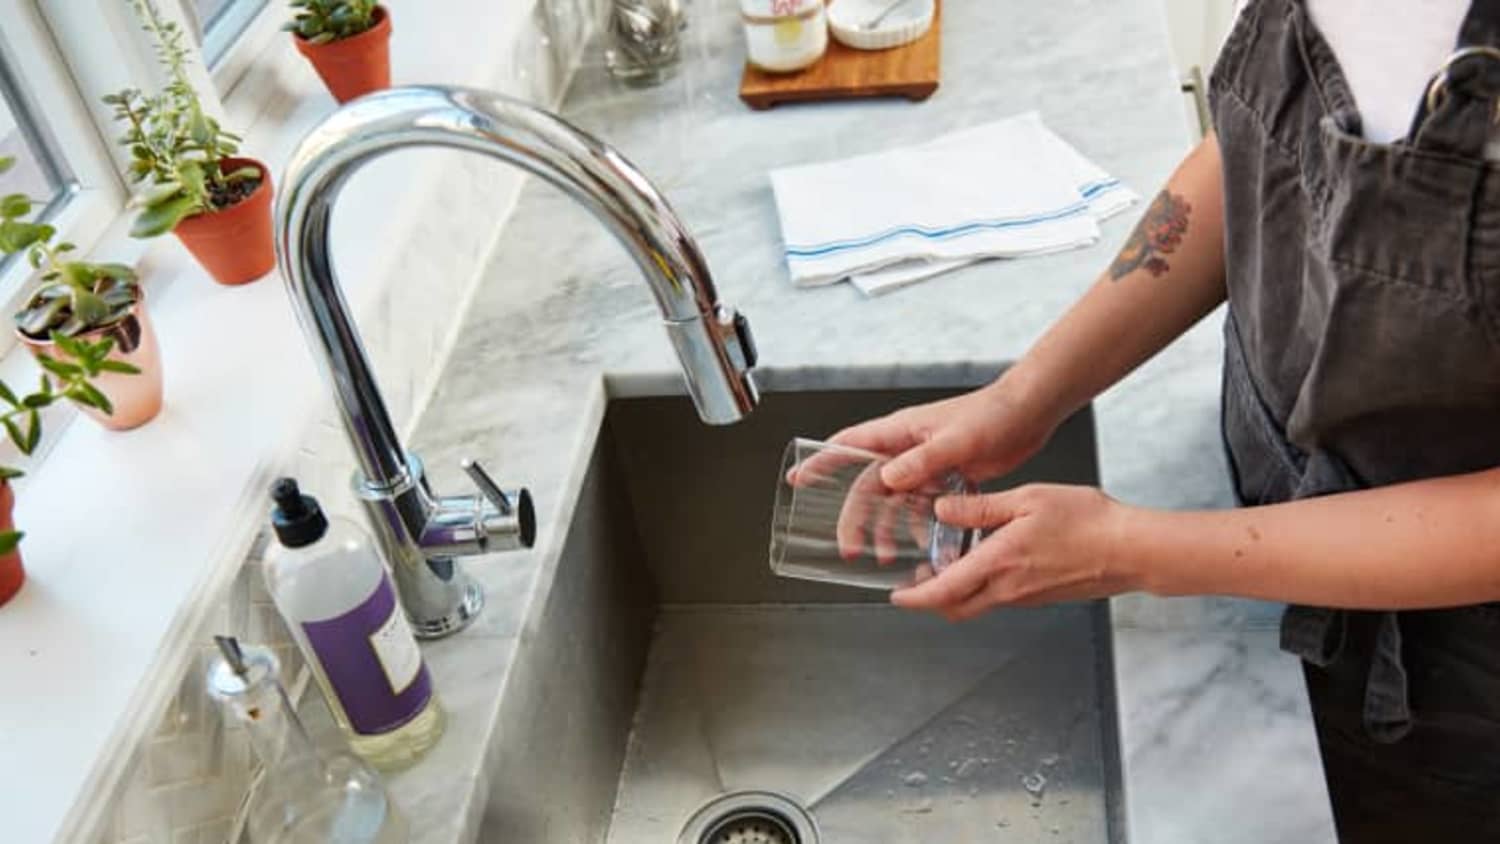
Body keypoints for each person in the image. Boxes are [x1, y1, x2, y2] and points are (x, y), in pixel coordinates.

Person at [830, 1, 1500, 840]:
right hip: (1245, 497)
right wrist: (1023, 399)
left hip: (1441, 690)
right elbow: (1257, 155)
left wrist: (1135, 549)